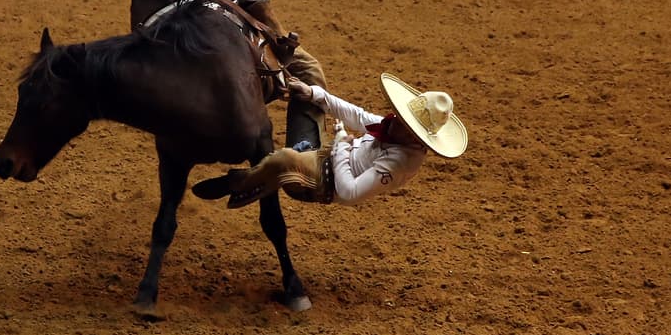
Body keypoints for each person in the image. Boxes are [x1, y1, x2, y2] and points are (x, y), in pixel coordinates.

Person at [192, 74, 467, 208]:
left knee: (285, 159)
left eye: (403, 122)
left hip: (324, 183)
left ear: (414, 136)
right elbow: (357, 115)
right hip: (327, 154)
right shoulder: (393, 129)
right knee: (309, 76)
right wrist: (313, 93)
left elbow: (349, 193)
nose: (393, 120)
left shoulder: (399, 163)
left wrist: (341, 145)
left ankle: (243, 182)